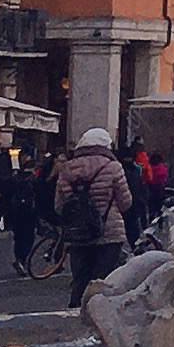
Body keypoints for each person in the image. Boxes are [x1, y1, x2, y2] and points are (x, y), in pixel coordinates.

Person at [52, 127, 134, 303]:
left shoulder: (67, 169)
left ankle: (74, 314)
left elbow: (59, 206)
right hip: (109, 231)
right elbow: (125, 202)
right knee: (103, 279)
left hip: (78, 233)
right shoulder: (113, 167)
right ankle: (98, 316)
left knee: (80, 279)